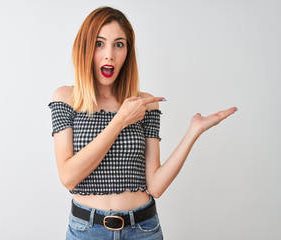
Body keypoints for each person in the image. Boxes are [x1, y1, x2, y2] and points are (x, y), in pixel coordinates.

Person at [49, 6, 237, 240]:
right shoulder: (67, 98)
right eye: (99, 43)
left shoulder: (144, 104)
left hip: (143, 230)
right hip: (86, 231)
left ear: (127, 52)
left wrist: (194, 131)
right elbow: (68, 177)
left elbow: (155, 186)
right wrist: (119, 121)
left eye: (119, 44)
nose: (109, 54)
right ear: (85, 48)